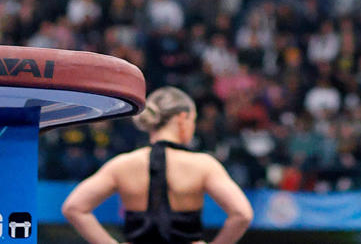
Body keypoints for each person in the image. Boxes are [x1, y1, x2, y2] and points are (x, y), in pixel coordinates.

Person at [61, 86, 253, 244]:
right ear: (182, 118)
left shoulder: (122, 164)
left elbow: (74, 207)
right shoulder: (203, 165)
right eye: (193, 121)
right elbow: (241, 214)